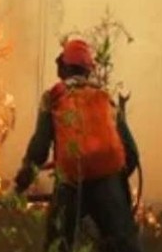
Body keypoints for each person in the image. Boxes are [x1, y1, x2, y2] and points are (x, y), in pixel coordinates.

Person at [13, 39, 142, 252]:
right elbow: (132, 152)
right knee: (125, 245)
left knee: (57, 246)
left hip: (71, 185)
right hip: (109, 184)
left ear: (65, 67)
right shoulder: (105, 99)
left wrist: (21, 184)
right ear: (87, 70)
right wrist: (114, 180)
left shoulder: (53, 98)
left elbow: (39, 149)